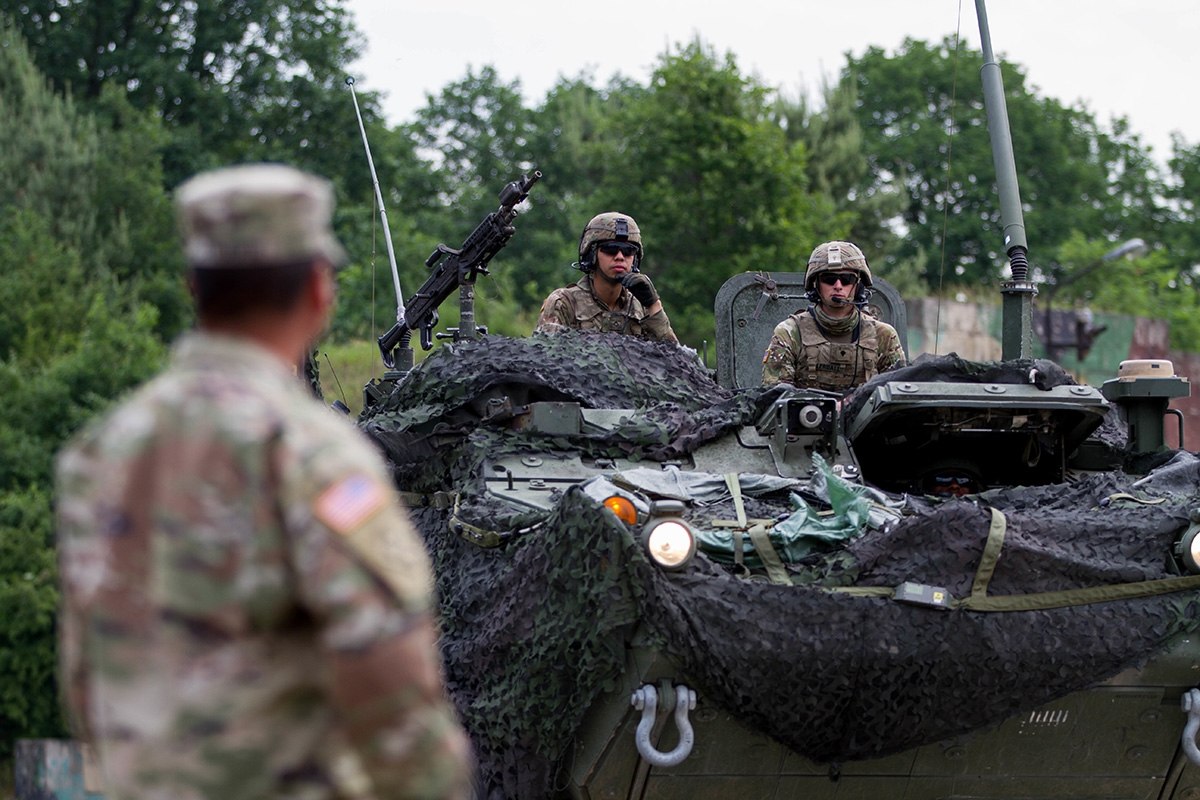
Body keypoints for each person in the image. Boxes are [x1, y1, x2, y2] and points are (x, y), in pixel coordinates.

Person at [55, 164, 473, 800]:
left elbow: (87, 671)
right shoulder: (319, 457)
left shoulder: (100, 451)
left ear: (194, 287)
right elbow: (389, 677)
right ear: (318, 289)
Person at [761, 240, 906, 392]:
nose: (838, 286)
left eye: (846, 279)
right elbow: (775, 394)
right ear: (816, 284)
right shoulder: (790, 332)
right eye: (829, 279)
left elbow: (898, 394)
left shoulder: (883, 335)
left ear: (858, 285)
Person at [536, 211, 679, 343]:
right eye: (610, 249)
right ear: (592, 254)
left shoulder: (641, 306)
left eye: (628, 251)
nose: (620, 257)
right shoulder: (565, 303)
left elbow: (677, 363)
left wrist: (654, 305)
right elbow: (544, 360)